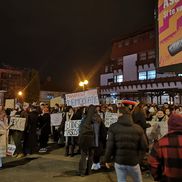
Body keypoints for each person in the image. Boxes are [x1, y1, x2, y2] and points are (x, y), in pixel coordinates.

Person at [104, 106, 148, 182]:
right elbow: (144, 146)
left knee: (121, 180)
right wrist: (139, 159)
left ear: (120, 114)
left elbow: (109, 146)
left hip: (119, 161)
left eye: (117, 113)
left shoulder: (113, 127)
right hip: (133, 161)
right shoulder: (138, 128)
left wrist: (107, 160)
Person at [148, 113, 182, 181]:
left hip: (167, 179)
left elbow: (153, 164)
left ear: (169, 125)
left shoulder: (160, 143)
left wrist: (159, 177)